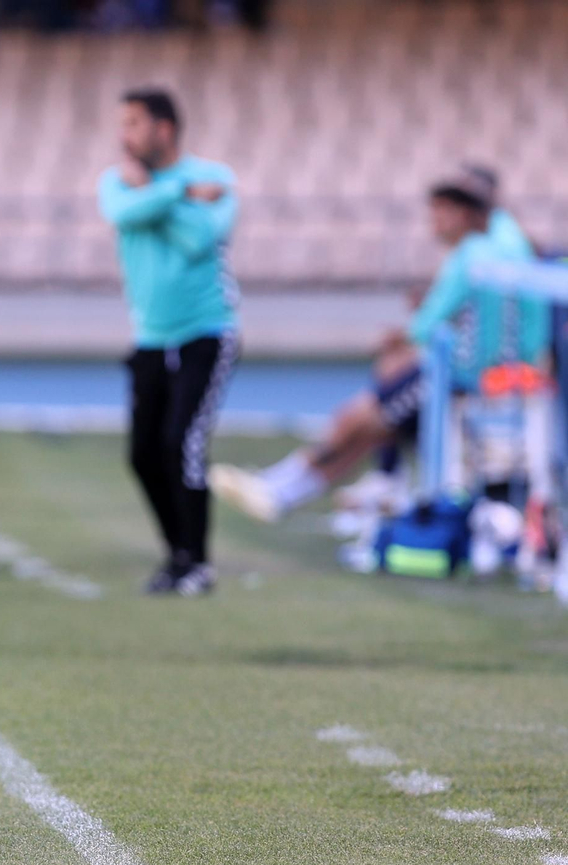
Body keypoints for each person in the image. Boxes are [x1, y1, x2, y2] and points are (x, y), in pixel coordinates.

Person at [210, 169, 549, 523]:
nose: (432, 222)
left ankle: (287, 487)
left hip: (463, 379)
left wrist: (401, 337)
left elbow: (428, 324)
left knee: (362, 419)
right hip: (495, 375)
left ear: (464, 213)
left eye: (439, 212)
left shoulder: (474, 253)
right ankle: (283, 488)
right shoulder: (507, 239)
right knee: (368, 423)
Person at [97, 87, 240, 597]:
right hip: (150, 339)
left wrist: (156, 194)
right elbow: (122, 214)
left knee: (183, 443)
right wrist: (178, 194)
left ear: (165, 129)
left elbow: (200, 241)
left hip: (206, 332)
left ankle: (196, 563)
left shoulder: (217, 178)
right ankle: (177, 553)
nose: (124, 135)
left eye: (134, 123)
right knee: (142, 454)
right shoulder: (123, 182)